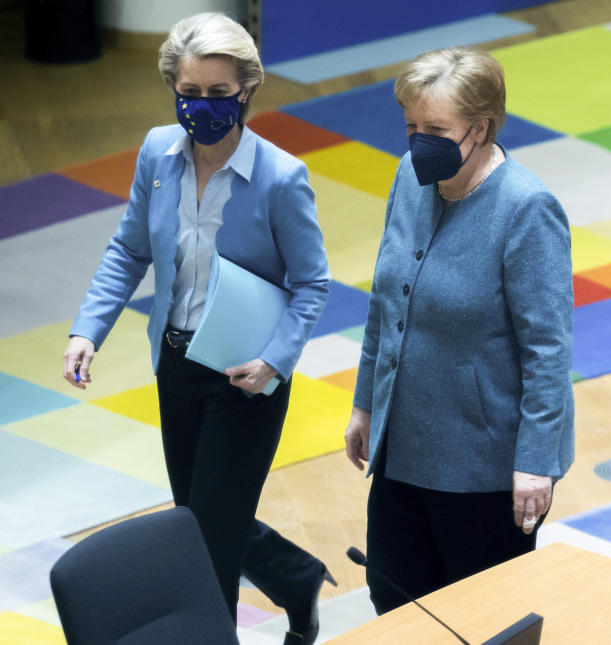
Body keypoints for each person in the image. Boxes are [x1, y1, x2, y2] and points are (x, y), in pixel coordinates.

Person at [62, 13, 334, 645]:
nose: (202, 107)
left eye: (218, 95)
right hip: (176, 366)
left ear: (246, 91)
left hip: (247, 376)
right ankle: (295, 577)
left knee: (207, 552)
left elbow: (312, 284)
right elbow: (129, 249)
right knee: (199, 521)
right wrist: (87, 330)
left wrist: (274, 361)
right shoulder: (157, 153)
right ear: (173, 89)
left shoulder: (281, 178)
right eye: (190, 94)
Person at [343, 46, 575, 614]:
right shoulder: (410, 177)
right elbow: (386, 300)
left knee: (480, 620)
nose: (420, 142)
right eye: (412, 127)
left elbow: (548, 351)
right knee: (395, 605)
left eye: (436, 129)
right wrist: (366, 405)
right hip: (403, 452)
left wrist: (536, 462)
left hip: (484, 469)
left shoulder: (527, 209)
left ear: (482, 127)